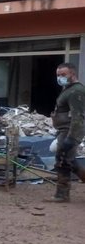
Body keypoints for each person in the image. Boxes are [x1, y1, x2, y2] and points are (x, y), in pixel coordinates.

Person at [46, 62, 85, 203]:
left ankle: (61, 195)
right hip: (64, 130)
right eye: (58, 75)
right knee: (70, 161)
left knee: (62, 161)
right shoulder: (68, 89)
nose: (60, 78)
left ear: (72, 74)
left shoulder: (76, 91)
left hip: (69, 131)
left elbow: (78, 115)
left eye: (63, 75)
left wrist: (73, 137)